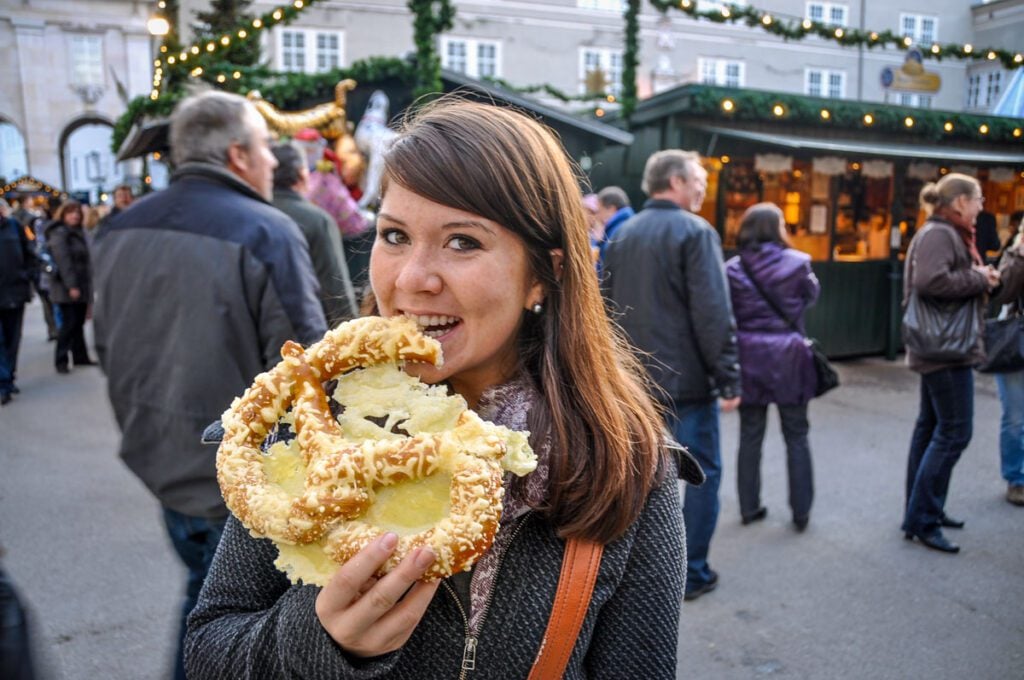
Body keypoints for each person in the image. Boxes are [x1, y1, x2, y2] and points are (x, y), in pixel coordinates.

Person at [185, 99, 699, 679]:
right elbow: (210, 649)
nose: (410, 279)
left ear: (545, 273)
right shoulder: (307, 428)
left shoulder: (625, 463)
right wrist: (318, 640)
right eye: (395, 234)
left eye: (462, 242)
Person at [92, 90, 327, 680]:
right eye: (267, 149)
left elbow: (105, 345)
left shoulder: (121, 225)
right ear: (238, 155)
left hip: (157, 456)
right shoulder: (266, 229)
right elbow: (307, 372)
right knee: (224, 629)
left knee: (205, 603)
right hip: (239, 478)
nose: (275, 162)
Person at [602, 149, 740, 602]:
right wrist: (729, 376)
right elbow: (713, 314)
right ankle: (693, 572)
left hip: (634, 384)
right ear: (677, 182)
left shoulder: (622, 234)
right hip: (688, 387)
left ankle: (636, 574)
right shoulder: (697, 232)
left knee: (639, 477)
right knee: (702, 476)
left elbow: (603, 310)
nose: (703, 186)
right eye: (699, 177)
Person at [901, 173, 998, 554]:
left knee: (931, 428)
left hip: (939, 347)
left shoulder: (940, 231)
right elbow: (931, 281)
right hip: (945, 349)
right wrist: (978, 277)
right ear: (959, 202)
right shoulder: (940, 234)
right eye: (978, 199)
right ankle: (923, 517)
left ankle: (922, 511)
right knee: (955, 432)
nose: (982, 206)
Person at [725, 203, 820, 531]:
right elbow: (812, 296)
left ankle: (749, 508)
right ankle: (801, 512)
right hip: (789, 355)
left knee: (750, 435)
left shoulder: (733, 268)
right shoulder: (799, 263)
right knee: (796, 434)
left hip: (748, 356)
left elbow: (727, 311)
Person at [271, 141, 359, 326]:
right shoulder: (316, 221)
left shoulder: (251, 217)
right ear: (303, 175)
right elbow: (334, 288)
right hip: (305, 332)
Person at [985, 213, 1024, 507]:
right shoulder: (1015, 253)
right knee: (1014, 416)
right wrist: (1017, 255)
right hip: (1016, 337)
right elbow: (1003, 293)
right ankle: (1016, 478)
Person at [44, 200, 95, 374]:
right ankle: (61, 359)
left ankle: (80, 356)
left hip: (80, 284)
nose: (75, 215)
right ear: (63, 214)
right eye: (71, 212)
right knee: (69, 324)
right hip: (67, 287)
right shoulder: (60, 234)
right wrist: (72, 286)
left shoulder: (79, 233)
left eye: (77, 212)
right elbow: (64, 262)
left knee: (78, 322)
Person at [0, 199, 36, 405]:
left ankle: (9, 377)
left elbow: (29, 252)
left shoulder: (14, 226)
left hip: (15, 292)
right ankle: (3, 383)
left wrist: (28, 275)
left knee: (13, 339)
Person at [594, 185, 633, 267]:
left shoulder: (617, 231)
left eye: (599, 211)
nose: (597, 216)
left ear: (611, 209)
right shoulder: (628, 226)